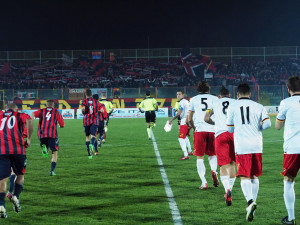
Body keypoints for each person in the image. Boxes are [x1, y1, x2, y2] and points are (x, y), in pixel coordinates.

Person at [226, 83, 271, 221]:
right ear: (250, 94)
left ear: (237, 94)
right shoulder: (259, 106)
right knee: (254, 176)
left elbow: (229, 129)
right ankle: (253, 203)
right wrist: (258, 129)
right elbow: (268, 124)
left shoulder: (232, 106)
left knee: (244, 176)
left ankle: (250, 202)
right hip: (257, 145)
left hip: (242, 146)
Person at [0, 103, 33, 218]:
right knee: (20, 174)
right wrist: (28, 139)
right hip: (18, 150)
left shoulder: (1, 114)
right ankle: (16, 196)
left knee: (3, 179)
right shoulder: (20, 115)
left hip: (2, 151)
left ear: (5, 109)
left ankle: (1, 205)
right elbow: (29, 120)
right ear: (16, 110)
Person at [204, 86, 236, 206]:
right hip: (233, 134)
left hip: (220, 135)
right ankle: (230, 190)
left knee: (223, 165)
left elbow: (206, 118)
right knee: (232, 163)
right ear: (230, 95)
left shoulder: (214, 103)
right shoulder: (235, 102)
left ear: (219, 96)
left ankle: (227, 190)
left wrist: (215, 123)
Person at [275, 76, 300, 225]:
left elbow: (278, 126)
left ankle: (291, 219)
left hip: (293, 148)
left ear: (288, 89)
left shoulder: (285, 102)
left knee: (289, 181)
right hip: (292, 147)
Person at [186, 81, 219, 190]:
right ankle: (214, 171)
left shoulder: (194, 99)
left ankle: (204, 182)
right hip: (212, 130)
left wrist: (193, 127)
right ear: (208, 89)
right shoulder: (214, 99)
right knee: (212, 155)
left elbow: (189, 118)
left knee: (200, 157)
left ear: (198, 89)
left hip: (200, 130)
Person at [31, 100, 65, 176]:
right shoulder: (56, 112)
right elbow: (62, 124)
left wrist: (31, 122)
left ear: (46, 105)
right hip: (52, 135)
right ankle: (52, 171)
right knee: (54, 153)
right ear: (53, 106)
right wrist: (60, 125)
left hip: (42, 134)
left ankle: (44, 148)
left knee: (45, 147)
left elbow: (33, 113)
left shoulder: (41, 111)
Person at [169, 90, 193, 160]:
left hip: (184, 121)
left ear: (183, 95)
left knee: (180, 138)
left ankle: (186, 155)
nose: (178, 96)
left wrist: (172, 119)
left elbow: (179, 113)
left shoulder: (182, 102)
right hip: (188, 121)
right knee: (184, 137)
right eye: (177, 94)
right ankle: (190, 151)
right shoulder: (187, 101)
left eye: (179, 94)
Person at [81, 89, 103, 159]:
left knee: (87, 137)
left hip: (86, 120)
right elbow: (102, 110)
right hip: (94, 120)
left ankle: (89, 155)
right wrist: (97, 111)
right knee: (93, 136)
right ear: (91, 94)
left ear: (86, 95)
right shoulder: (96, 101)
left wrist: (84, 113)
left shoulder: (84, 101)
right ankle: (92, 144)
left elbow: (83, 110)